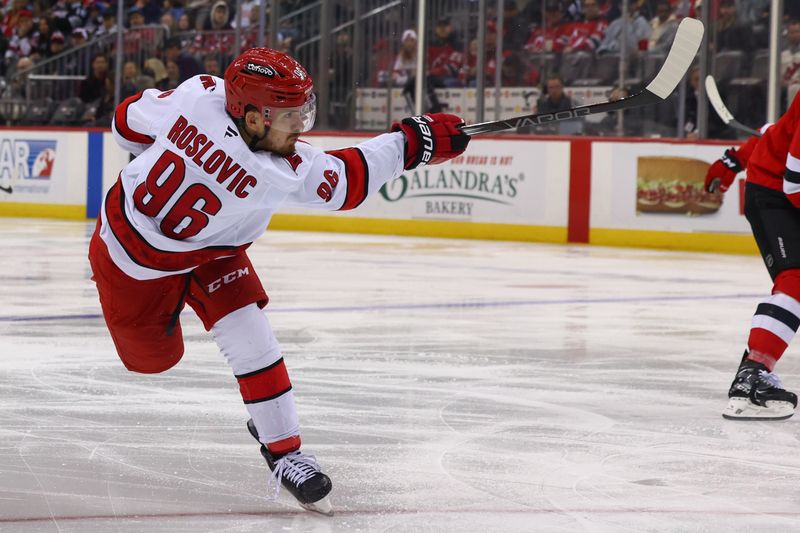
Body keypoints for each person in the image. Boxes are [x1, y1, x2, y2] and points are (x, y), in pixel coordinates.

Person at [87, 47, 470, 515]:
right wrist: (414, 142)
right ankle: (277, 438)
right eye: (292, 116)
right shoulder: (271, 172)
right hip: (133, 262)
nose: (302, 127)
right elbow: (349, 180)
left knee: (253, 339)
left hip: (209, 252)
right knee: (153, 362)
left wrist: (168, 150)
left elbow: (126, 120)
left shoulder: (199, 94)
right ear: (252, 118)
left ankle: (284, 451)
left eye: (304, 110)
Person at [703, 98, 800, 420]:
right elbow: (794, 182)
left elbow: (776, 132)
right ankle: (754, 374)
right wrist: (736, 161)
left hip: (783, 184)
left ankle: (753, 370)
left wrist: (732, 160)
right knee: (795, 278)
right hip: (774, 191)